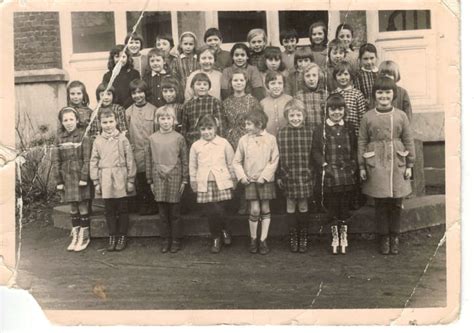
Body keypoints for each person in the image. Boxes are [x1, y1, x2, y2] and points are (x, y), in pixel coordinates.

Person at [358, 77, 415, 255]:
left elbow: (408, 139)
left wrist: (410, 163)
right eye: (380, 92)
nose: (384, 96)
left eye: (387, 92)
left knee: (396, 202)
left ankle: (394, 236)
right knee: (381, 202)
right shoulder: (368, 117)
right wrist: (361, 165)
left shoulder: (401, 115)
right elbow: (362, 140)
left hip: (397, 161)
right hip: (376, 162)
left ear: (393, 94)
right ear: (374, 95)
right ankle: (383, 237)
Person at [312, 93, 357, 254]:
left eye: (339, 109)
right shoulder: (321, 129)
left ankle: (344, 235)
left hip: (346, 173)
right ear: (327, 110)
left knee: (344, 205)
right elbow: (316, 151)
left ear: (344, 110)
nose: (336, 113)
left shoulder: (350, 127)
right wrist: (324, 165)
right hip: (330, 174)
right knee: (332, 206)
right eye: (332, 109)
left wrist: (353, 165)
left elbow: (354, 148)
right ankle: (334, 236)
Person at [232, 110, 279, 254]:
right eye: (245, 124)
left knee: (265, 209)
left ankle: (263, 240)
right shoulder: (243, 140)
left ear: (259, 124)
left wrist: (264, 177)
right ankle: (253, 238)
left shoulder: (270, 139)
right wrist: (243, 177)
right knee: (254, 210)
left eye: (249, 124)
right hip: (250, 180)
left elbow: (274, 160)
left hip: (265, 180)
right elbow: (236, 161)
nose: (246, 127)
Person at [90, 109, 136, 251]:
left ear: (116, 122)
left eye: (111, 121)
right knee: (109, 209)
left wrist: (130, 179)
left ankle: (122, 235)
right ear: (100, 123)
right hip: (105, 178)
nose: (108, 125)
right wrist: (96, 181)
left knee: (122, 208)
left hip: (120, 176)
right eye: (105, 122)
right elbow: (93, 161)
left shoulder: (122, 139)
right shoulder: (98, 141)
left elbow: (130, 159)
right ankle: (112, 235)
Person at [189, 114, 236, 253]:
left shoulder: (224, 143)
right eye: (203, 129)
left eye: (210, 128)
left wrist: (233, 179)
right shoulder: (196, 146)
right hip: (205, 182)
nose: (207, 132)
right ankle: (216, 237)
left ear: (215, 128)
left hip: (222, 181)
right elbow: (193, 166)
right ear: (199, 130)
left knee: (220, 210)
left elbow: (231, 162)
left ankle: (225, 230)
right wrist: (193, 180)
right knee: (212, 212)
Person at [146, 105, 188, 253]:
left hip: (175, 175)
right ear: (157, 120)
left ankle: (176, 240)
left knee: (175, 212)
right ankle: (165, 239)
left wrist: (184, 179)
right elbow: (149, 160)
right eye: (162, 118)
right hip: (158, 176)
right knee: (163, 212)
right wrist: (150, 180)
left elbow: (184, 159)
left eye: (168, 118)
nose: (165, 121)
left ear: (174, 120)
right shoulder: (152, 138)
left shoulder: (179, 138)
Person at [52, 107, 92, 252]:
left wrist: (84, 177)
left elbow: (87, 159)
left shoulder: (83, 136)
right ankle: (75, 235)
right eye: (65, 120)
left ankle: (85, 236)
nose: (69, 123)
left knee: (82, 206)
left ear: (76, 120)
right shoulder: (59, 139)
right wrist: (59, 181)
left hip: (79, 176)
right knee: (73, 207)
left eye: (71, 119)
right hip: (67, 177)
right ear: (61, 122)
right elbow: (56, 161)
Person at [276, 99, 314, 253]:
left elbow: (313, 156)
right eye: (292, 115)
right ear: (287, 116)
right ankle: (293, 236)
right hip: (288, 174)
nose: (295, 118)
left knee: (303, 205)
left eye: (298, 115)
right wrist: (280, 175)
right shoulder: (282, 134)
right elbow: (278, 156)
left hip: (305, 174)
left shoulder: (310, 132)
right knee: (290, 205)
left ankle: (303, 235)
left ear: (304, 116)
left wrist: (311, 173)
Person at [125, 79, 157, 215]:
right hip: (136, 152)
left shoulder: (154, 109)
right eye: (134, 93)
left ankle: (154, 205)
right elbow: (126, 132)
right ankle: (142, 205)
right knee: (140, 180)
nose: (138, 96)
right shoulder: (128, 112)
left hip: (151, 152)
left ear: (145, 93)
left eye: (140, 92)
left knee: (152, 179)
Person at [181, 72, 227, 147]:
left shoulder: (215, 102)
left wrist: (220, 143)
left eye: (205, 84)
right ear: (192, 86)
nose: (202, 87)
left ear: (209, 87)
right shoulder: (188, 105)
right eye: (198, 84)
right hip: (193, 141)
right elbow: (184, 128)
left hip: (211, 141)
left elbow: (220, 125)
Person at [223, 70, 262, 150]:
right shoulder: (226, 102)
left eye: (241, 80)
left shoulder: (252, 101)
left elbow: (258, 122)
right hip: (230, 140)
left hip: (249, 138)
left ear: (246, 82)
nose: (238, 83)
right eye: (235, 80)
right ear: (231, 82)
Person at [332, 60, 367, 136]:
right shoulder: (333, 94)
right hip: (336, 134)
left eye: (346, 74)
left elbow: (362, 117)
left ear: (351, 75)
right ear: (335, 77)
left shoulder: (357, 94)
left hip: (354, 134)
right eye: (339, 74)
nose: (343, 77)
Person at [102, 44, 140, 109]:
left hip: (131, 106)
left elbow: (136, 91)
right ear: (112, 58)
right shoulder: (107, 76)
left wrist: (126, 106)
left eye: (123, 57)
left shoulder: (134, 74)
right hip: (114, 107)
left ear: (128, 58)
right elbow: (106, 93)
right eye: (117, 57)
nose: (120, 59)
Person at [294, 63, 327, 129]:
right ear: (303, 78)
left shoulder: (325, 94)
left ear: (319, 77)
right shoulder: (298, 96)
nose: (311, 79)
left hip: (321, 132)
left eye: (314, 75)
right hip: (305, 132)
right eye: (308, 76)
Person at [260, 71, 293, 136]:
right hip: (269, 138)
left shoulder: (290, 100)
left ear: (284, 85)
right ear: (267, 85)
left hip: (287, 136)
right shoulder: (263, 103)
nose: (276, 86)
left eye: (280, 83)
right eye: (273, 83)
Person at [354, 43, 379, 108]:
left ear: (376, 57)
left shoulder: (380, 73)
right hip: (365, 107)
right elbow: (358, 93)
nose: (369, 62)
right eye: (365, 59)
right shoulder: (358, 75)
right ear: (360, 59)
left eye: (372, 58)